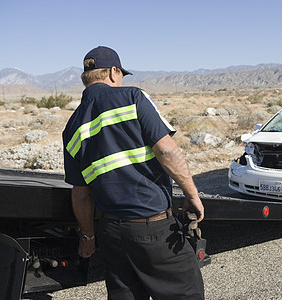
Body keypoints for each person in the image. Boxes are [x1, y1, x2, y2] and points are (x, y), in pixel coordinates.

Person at [62, 46, 205, 299]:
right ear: (114, 72)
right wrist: (191, 193)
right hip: (154, 228)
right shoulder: (132, 97)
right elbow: (167, 151)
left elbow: (82, 194)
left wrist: (87, 236)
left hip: (112, 235)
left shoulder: (73, 125)